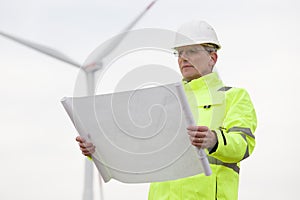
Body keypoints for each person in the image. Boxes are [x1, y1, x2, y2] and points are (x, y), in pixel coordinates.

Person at [76, 20, 257, 200]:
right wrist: (97, 150)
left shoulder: (234, 96)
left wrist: (215, 140)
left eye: (192, 51)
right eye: (179, 53)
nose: (183, 58)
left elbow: (243, 144)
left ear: (213, 57)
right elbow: (139, 150)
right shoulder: (165, 101)